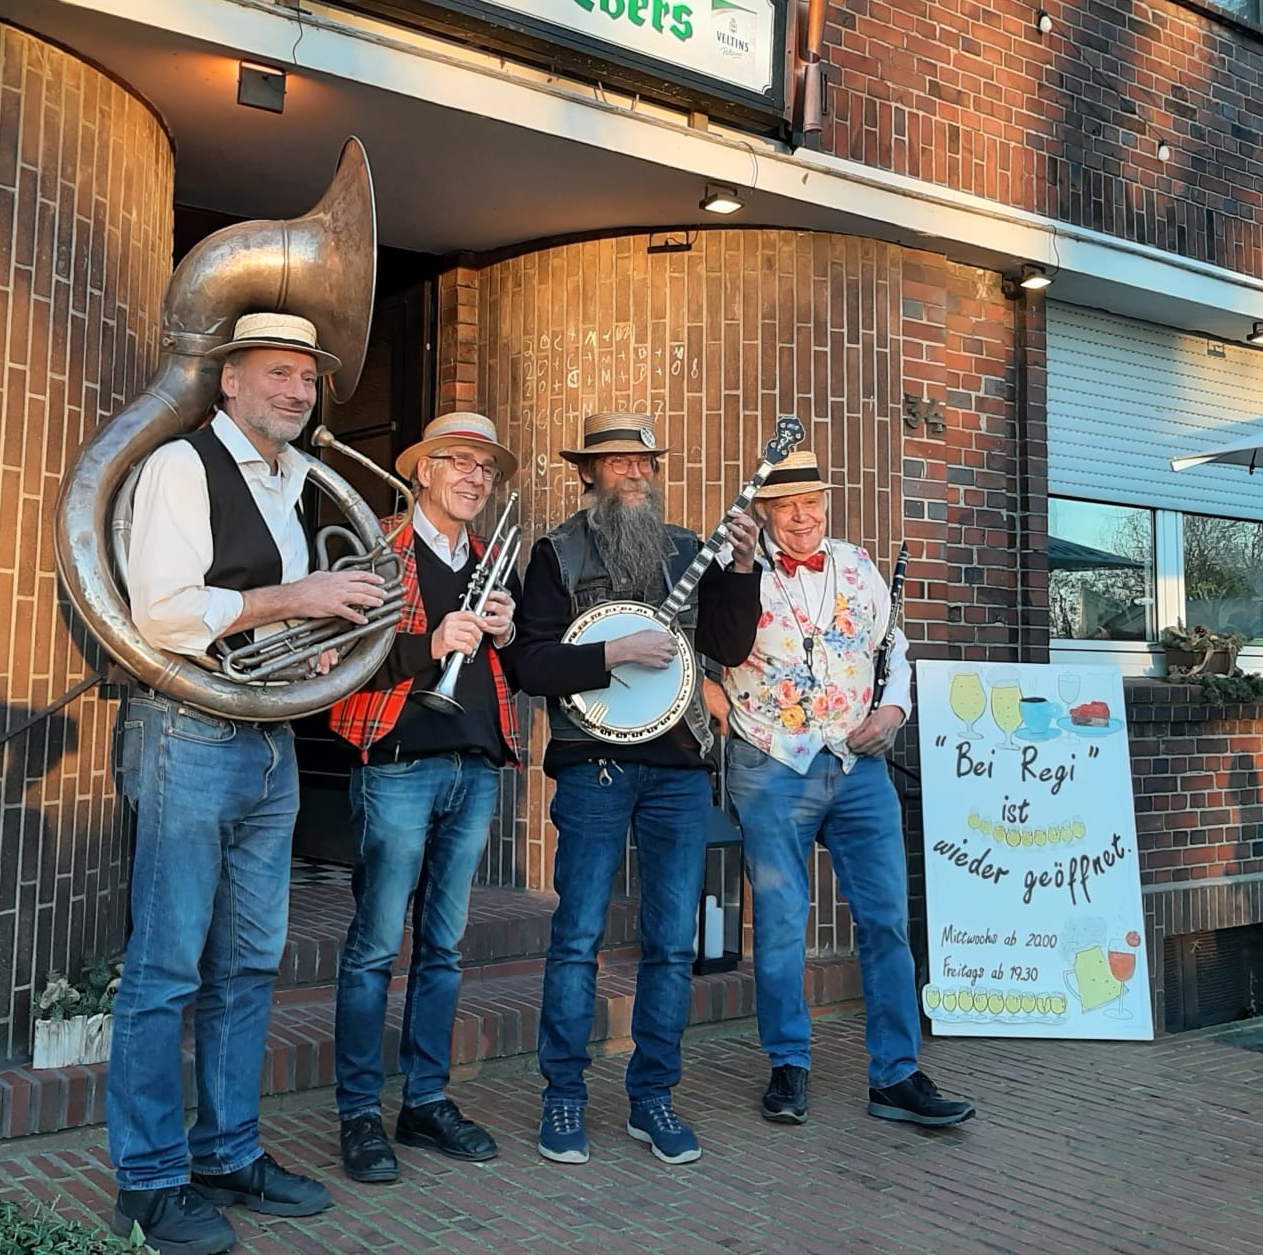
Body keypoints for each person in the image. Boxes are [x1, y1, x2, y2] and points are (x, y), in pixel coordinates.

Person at [109, 311, 390, 1255]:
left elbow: (294, 626)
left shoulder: (296, 482)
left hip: (267, 741)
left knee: (250, 964)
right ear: (228, 381)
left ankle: (227, 1151)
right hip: (188, 732)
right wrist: (297, 597)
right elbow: (163, 611)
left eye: (307, 379)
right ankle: (149, 1184)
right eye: (278, 373)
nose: (298, 392)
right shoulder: (182, 467)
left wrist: (347, 617)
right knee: (164, 972)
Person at [514, 413, 761, 1167]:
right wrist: (612, 651)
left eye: (643, 463)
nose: (633, 474)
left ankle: (652, 1093)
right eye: (616, 462)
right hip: (595, 765)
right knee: (578, 934)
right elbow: (530, 665)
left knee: (668, 941)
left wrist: (744, 572)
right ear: (586, 473)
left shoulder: (689, 549)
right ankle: (563, 1097)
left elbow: (729, 645)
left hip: (681, 769)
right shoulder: (556, 553)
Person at [718, 451, 974, 1131]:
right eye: (785, 503)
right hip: (773, 767)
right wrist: (733, 723)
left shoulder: (859, 565)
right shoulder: (733, 570)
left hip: (859, 769)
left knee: (886, 920)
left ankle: (895, 1075)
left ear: (827, 502)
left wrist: (893, 713)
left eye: (812, 500)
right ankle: (787, 1066)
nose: (801, 515)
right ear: (765, 511)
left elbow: (896, 651)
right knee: (779, 924)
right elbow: (703, 651)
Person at [325, 412, 524, 1184]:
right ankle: (357, 1114)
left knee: (443, 950)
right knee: (375, 948)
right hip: (400, 764)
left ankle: (426, 1101)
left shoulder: (490, 561)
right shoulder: (377, 545)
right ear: (422, 473)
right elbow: (334, 656)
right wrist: (427, 646)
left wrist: (505, 636)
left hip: (473, 769)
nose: (474, 478)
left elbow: (506, 670)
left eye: (484, 468)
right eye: (458, 463)